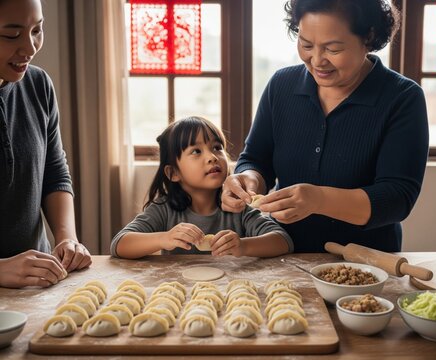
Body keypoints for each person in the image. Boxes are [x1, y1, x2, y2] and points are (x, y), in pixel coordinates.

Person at [222, 0, 429, 253]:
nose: (317, 60)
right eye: (306, 45)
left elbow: (397, 198)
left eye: (333, 49)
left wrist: (319, 200)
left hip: (365, 264)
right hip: (281, 253)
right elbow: (256, 159)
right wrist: (248, 180)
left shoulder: (402, 98)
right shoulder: (281, 86)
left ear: (369, 36)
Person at [0, 0, 91, 288]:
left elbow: (53, 172)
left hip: (35, 283)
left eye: (37, 30)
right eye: (11, 35)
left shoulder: (38, 85)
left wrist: (67, 237)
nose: (29, 47)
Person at [111, 116, 293, 259]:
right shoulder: (164, 210)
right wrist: (164, 238)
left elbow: (283, 241)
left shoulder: (237, 206)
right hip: (180, 296)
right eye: (196, 151)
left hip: (232, 294)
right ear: (173, 172)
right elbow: (119, 244)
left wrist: (243, 246)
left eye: (216, 147)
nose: (212, 157)